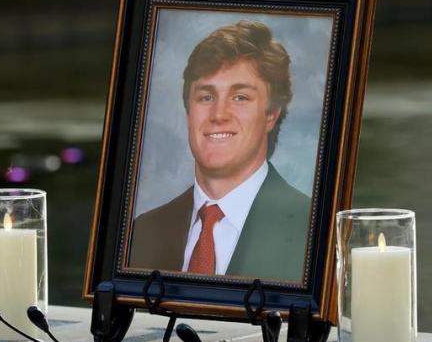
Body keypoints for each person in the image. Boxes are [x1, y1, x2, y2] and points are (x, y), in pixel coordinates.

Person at [129, 20, 311, 282]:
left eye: (240, 97)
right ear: (188, 110)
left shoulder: (312, 232)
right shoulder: (144, 232)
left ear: (271, 114)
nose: (218, 115)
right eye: (206, 97)